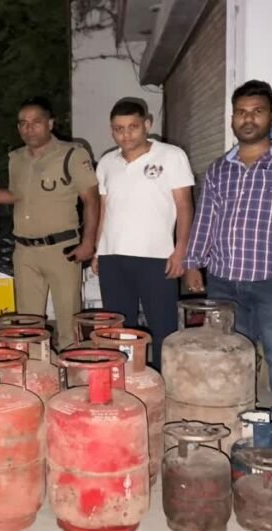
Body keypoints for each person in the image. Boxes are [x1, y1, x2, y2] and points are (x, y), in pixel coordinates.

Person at [183, 80, 272, 455]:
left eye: (257, 112)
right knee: (231, 353)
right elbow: (206, 219)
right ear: (232, 118)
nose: (248, 119)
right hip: (224, 281)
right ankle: (237, 417)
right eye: (241, 112)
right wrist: (193, 262)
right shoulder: (220, 169)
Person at [92, 98, 195, 371]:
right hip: (113, 257)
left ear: (147, 124)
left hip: (156, 257)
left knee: (163, 326)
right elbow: (105, 210)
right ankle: (125, 378)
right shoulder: (107, 162)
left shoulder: (171, 156)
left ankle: (163, 381)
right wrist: (98, 251)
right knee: (119, 329)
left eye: (133, 127)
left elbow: (185, 206)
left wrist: (181, 251)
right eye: (119, 129)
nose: (125, 135)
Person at [0, 96, 100, 350]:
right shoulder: (16, 159)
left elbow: (91, 199)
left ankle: (72, 366)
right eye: (23, 123)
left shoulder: (72, 154)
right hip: (25, 252)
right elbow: (16, 196)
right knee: (27, 324)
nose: (28, 128)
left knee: (69, 321)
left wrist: (89, 243)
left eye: (36, 122)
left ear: (50, 123)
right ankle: (35, 367)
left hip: (62, 250)